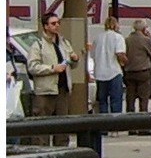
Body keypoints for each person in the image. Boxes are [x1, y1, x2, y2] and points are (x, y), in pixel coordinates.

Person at [26, 12, 80, 146]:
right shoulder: (38, 45)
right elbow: (32, 67)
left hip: (62, 90)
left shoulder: (64, 43)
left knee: (62, 130)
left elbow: (69, 64)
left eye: (58, 23)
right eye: (53, 23)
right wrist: (52, 68)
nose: (56, 26)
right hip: (45, 91)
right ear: (45, 26)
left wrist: (75, 59)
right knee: (42, 129)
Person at [124, 18, 151, 134]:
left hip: (129, 72)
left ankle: (131, 127)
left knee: (130, 99)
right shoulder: (145, 40)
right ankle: (143, 127)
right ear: (144, 29)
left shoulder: (127, 40)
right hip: (142, 72)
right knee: (143, 99)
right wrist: (150, 38)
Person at [93, 15, 128, 116]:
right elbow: (119, 53)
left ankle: (103, 127)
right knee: (116, 100)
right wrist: (126, 62)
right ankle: (115, 126)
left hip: (99, 73)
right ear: (116, 25)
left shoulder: (97, 37)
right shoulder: (118, 37)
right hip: (114, 72)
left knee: (102, 101)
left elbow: (93, 55)